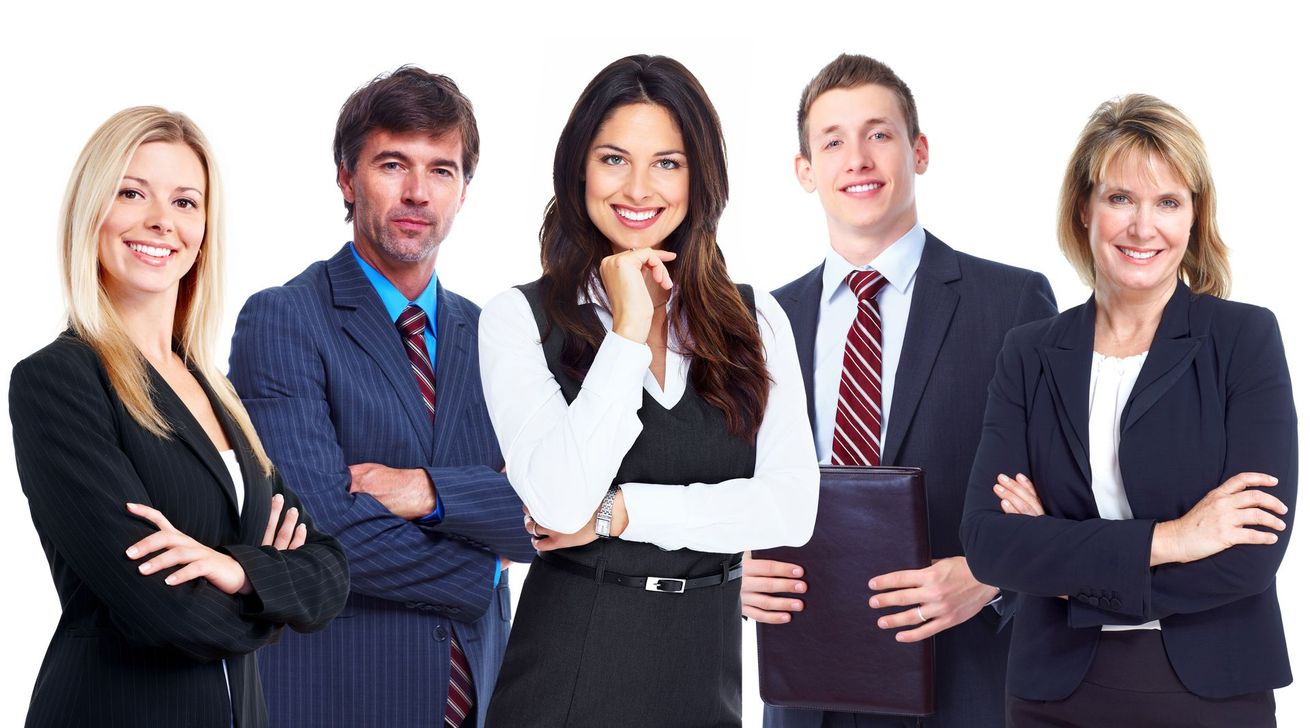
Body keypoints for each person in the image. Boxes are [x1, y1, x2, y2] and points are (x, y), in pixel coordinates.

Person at [477, 54, 819, 727]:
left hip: (705, 675)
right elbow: (557, 496)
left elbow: (789, 508)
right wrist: (629, 329)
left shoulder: (757, 320)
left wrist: (621, 513)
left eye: (667, 162)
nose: (638, 187)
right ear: (580, 169)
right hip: (568, 675)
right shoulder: (518, 318)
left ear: (700, 177)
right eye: (613, 159)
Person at [960, 94, 1295, 727]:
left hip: (1210, 693)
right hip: (1052, 695)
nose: (1144, 228)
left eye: (1168, 202)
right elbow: (989, 545)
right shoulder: (1029, 352)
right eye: (1121, 199)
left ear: (1195, 216)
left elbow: (1252, 555)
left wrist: (1056, 565)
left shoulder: (1243, 340)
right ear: (1083, 206)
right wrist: (1176, 538)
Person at [745, 54, 1058, 728]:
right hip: (806, 693)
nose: (857, 158)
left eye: (878, 134)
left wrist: (987, 574)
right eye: (832, 141)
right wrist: (733, 567)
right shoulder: (759, 323)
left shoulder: (1012, 302)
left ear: (918, 151)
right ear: (805, 170)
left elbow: (1073, 488)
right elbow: (722, 486)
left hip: (966, 685)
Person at [9, 107, 349, 728]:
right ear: (92, 211)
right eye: (132, 192)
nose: (162, 221)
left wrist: (236, 569)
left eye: (186, 202)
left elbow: (328, 570)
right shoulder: (58, 380)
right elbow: (159, 611)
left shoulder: (215, 390)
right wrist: (273, 597)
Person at [228, 68, 536, 727]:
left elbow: (549, 514)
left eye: (442, 169)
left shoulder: (495, 336)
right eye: (393, 163)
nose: (418, 192)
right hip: (336, 701)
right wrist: (483, 569)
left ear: (463, 189)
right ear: (347, 178)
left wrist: (429, 491)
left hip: (479, 704)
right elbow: (322, 532)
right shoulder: (284, 321)